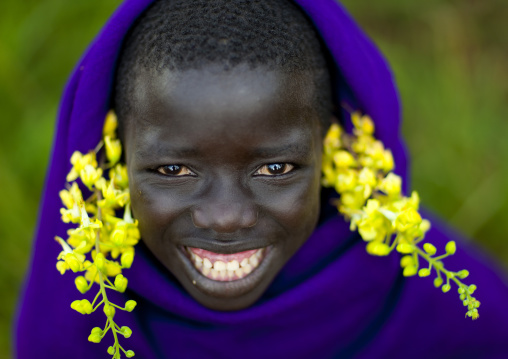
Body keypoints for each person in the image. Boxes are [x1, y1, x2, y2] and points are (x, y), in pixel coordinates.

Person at [15, 0, 508, 358]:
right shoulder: (73, 326)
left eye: (275, 169)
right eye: (173, 170)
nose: (227, 218)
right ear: (112, 162)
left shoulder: (458, 315)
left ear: (336, 148)